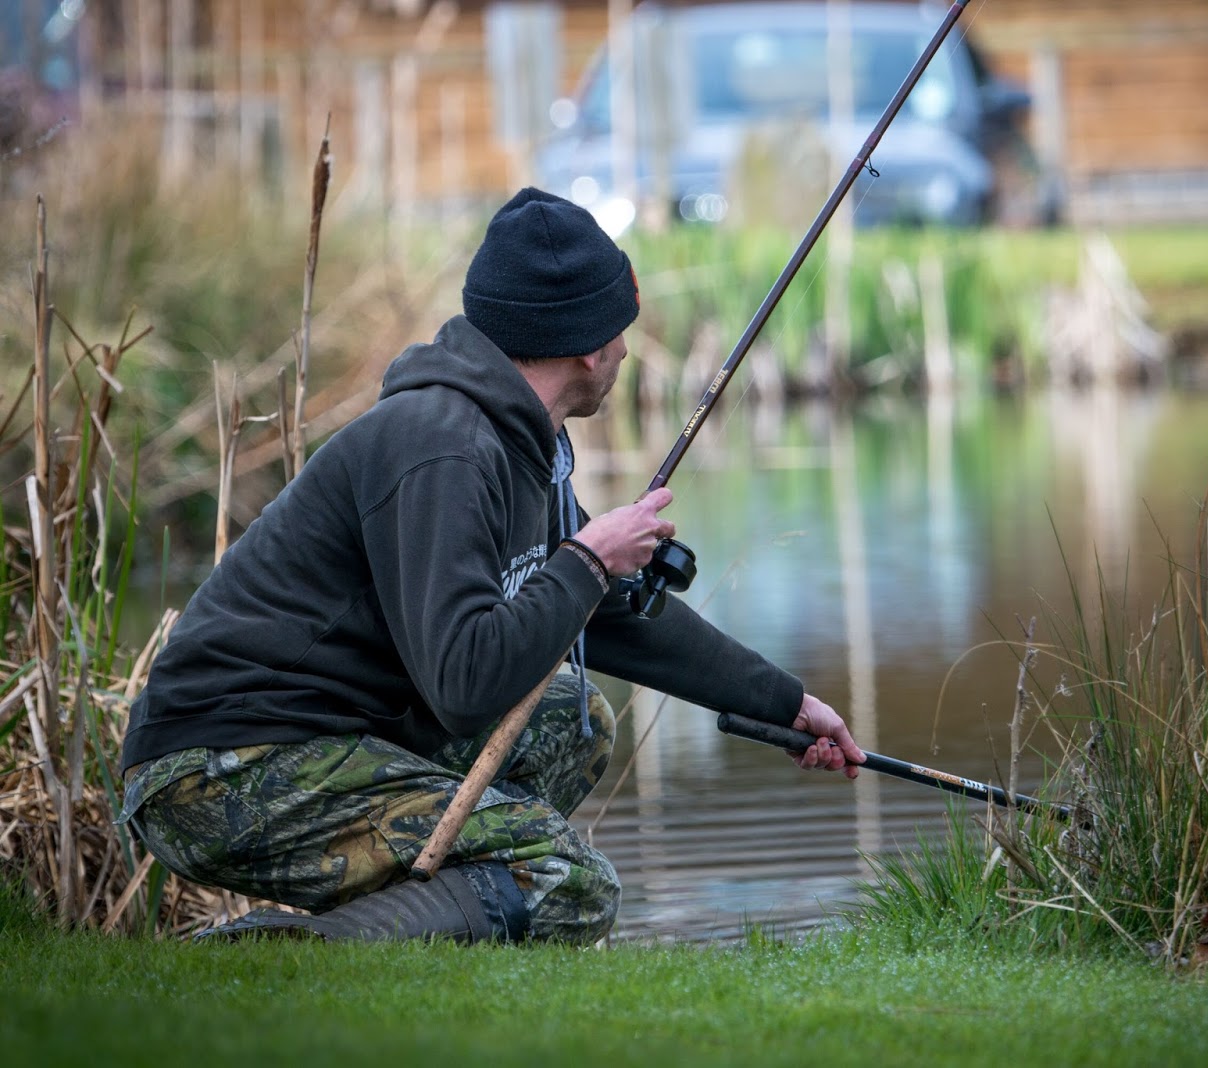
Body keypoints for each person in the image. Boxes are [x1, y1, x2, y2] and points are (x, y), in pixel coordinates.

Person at [116, 187, 865, 945]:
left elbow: (603, 620)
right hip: (220, 767)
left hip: (328, 735)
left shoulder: (514, 444)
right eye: (622, 330)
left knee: (571, 722)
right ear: (585, 345)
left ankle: (407, 922)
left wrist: (784, 703)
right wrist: (586, 557)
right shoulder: (442, 447)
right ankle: (308, 951)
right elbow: (465, 682)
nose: (629, 351)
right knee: (567, 885)